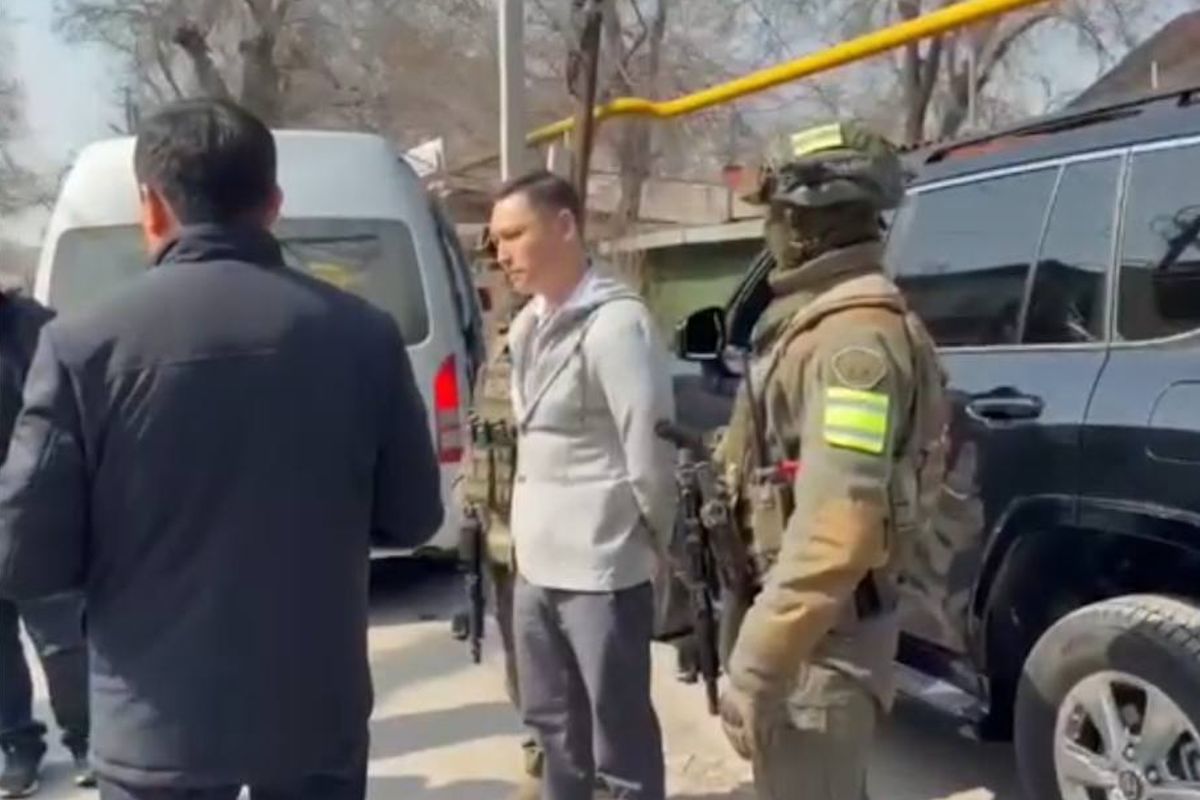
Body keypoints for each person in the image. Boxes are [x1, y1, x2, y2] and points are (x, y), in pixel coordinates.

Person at [0, 98, 443, 800]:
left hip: (154, 721)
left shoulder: (82, 345)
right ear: (273, 204)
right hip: (311, 711)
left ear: (151, 206)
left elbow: (23, 553)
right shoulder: (362, 333)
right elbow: (414, 516)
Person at [714, 121, 946, 800]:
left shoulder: (853, 345)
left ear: (806, 224)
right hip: (813, 641)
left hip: (819, 653)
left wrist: (759, 662)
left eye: (776, 215)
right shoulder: (818, 323)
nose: (769, 231)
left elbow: (838, 528)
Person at [490, 170, 677, 800]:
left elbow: (649, 450)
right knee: (552, 729)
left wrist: (653, 545)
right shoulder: (527, 325)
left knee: (617, 736)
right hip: (536, 564)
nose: (502, 253)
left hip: (602, 566)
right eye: (497, 240)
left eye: (515, 234)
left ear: (565, 226)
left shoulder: (617, 325)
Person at [455, 235, 544, 779]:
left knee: (552, 661)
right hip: (501, 529)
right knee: (520, 654)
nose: (498, 272)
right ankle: (540, 749)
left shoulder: (560, 328)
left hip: (542, 531)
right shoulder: (506, 336)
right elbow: (484, 432)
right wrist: (468, 499)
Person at [0, 289, 92, 798]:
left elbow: (63, 415)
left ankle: (86, 738)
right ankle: (18, 744)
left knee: (61, 640)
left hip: (34, 507)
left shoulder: (35, 329)